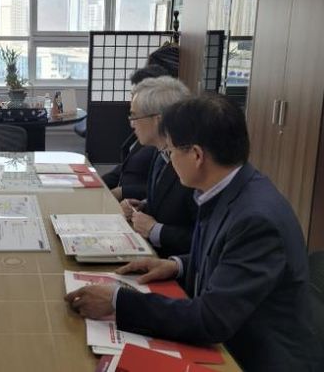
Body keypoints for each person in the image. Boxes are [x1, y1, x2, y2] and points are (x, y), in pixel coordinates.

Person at [65, 95, 323, 372]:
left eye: (171, 151)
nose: (169, 160)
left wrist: (118, 301)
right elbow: (226, 257)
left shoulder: (256, 219)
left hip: (253, 358)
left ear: (197, 155)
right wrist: (177, 264)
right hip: (231, 340)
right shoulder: (229, 188)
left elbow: (211, 319)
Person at [119, 76, 195, 258]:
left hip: (173, 263)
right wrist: (143, 205)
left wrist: (156, 230)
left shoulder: (191, 163)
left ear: (158, 120)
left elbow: (204, 238)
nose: (132, 123)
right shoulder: (160, 150)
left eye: (135, 116)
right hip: (148, 250)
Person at [102, 64, 170, 200]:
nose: (131, 100)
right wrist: (98, 182)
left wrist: (123, 192)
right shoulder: (144, 127)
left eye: (135, 95)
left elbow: (161, 188)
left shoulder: (165, 144)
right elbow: (124, 168)